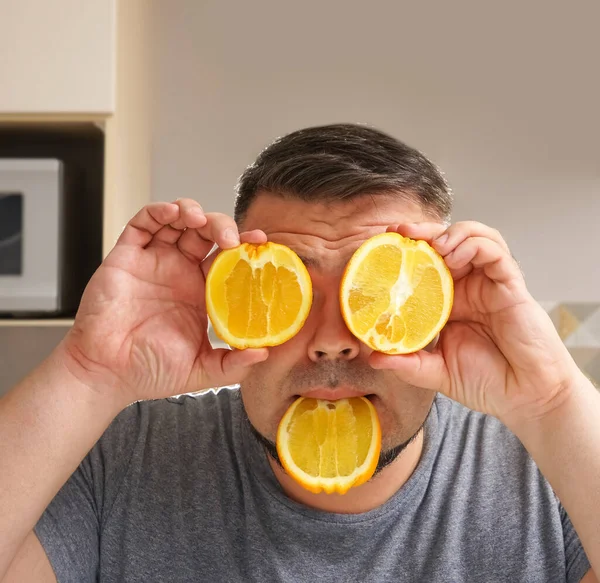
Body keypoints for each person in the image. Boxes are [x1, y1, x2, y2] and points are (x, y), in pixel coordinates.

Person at [0, 124, 598, 583]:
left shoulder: (552, 473)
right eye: (292, 290)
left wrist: (552, 400)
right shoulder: (123, 458)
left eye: (373, 297)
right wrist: (88, 373)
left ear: (433, 307)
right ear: (231, 301)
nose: (331, 339)